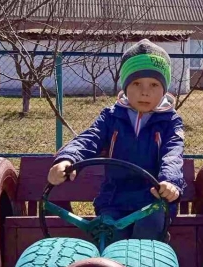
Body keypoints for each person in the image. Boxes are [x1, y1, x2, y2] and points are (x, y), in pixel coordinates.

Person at [48, 39, 185, 241]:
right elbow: (89, 138)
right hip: (114, 198)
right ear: (125, 85)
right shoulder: (111, 117)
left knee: (148, 230)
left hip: (154, 198)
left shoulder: (170, 122)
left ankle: (147, 266)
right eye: (136, 83)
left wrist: (170, 182)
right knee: (109, 234)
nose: (145, 91)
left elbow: (173, 153)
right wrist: (67, 159)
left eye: (154, 84)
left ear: (164, 89)